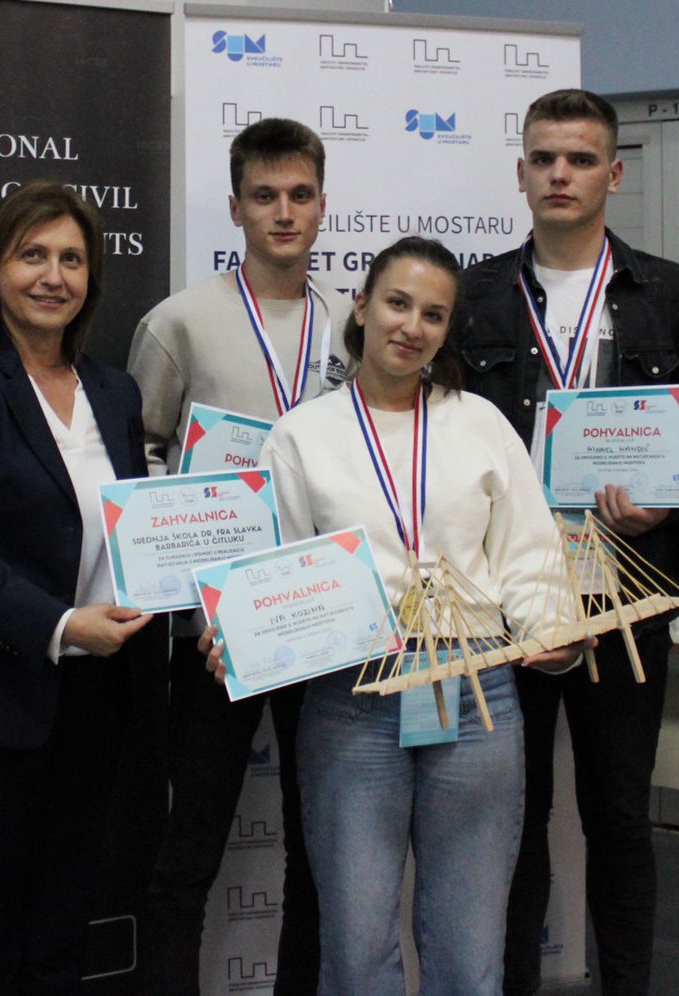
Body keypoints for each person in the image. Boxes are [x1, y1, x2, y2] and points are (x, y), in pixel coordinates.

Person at [245, 235, 581, 995]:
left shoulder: (479, 422)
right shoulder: (300, 435)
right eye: (398, 303)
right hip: (356, 696)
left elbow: (527, 553)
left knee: (470, 951)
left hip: (476, 693)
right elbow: (277, 575)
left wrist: (553, 633)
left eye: (433, 314)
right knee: (357, 947)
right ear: (362, 307)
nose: (412, 326)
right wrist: (247, 636)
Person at [459, 88, 679, 996]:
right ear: (521, 173)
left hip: (629, 585)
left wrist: (667, 498)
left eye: (579, 159)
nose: (560, 175)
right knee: (514, 816)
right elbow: (444, 436)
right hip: (512, 591)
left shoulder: (670, 292)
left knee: (618, 817)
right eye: (544, 159)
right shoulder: (477, 294)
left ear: (613, 173)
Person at [0, 180, 166, 995]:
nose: (53, 276)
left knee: (65, 918)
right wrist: (59, 624)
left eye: (72, 260)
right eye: (33, 255)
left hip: (99, 694)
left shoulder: (114, 391)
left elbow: (136, 529)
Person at [130, 118, 341, 995]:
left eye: (299, 195)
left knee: (319, 851)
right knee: (189, 850)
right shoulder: (179, 322)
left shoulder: (352, 325)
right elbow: (138, 459)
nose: (282, 213)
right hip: (213, 632)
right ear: (235, 207)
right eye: (264, 196)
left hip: (320, 619)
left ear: (322, 205)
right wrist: (196, 536)